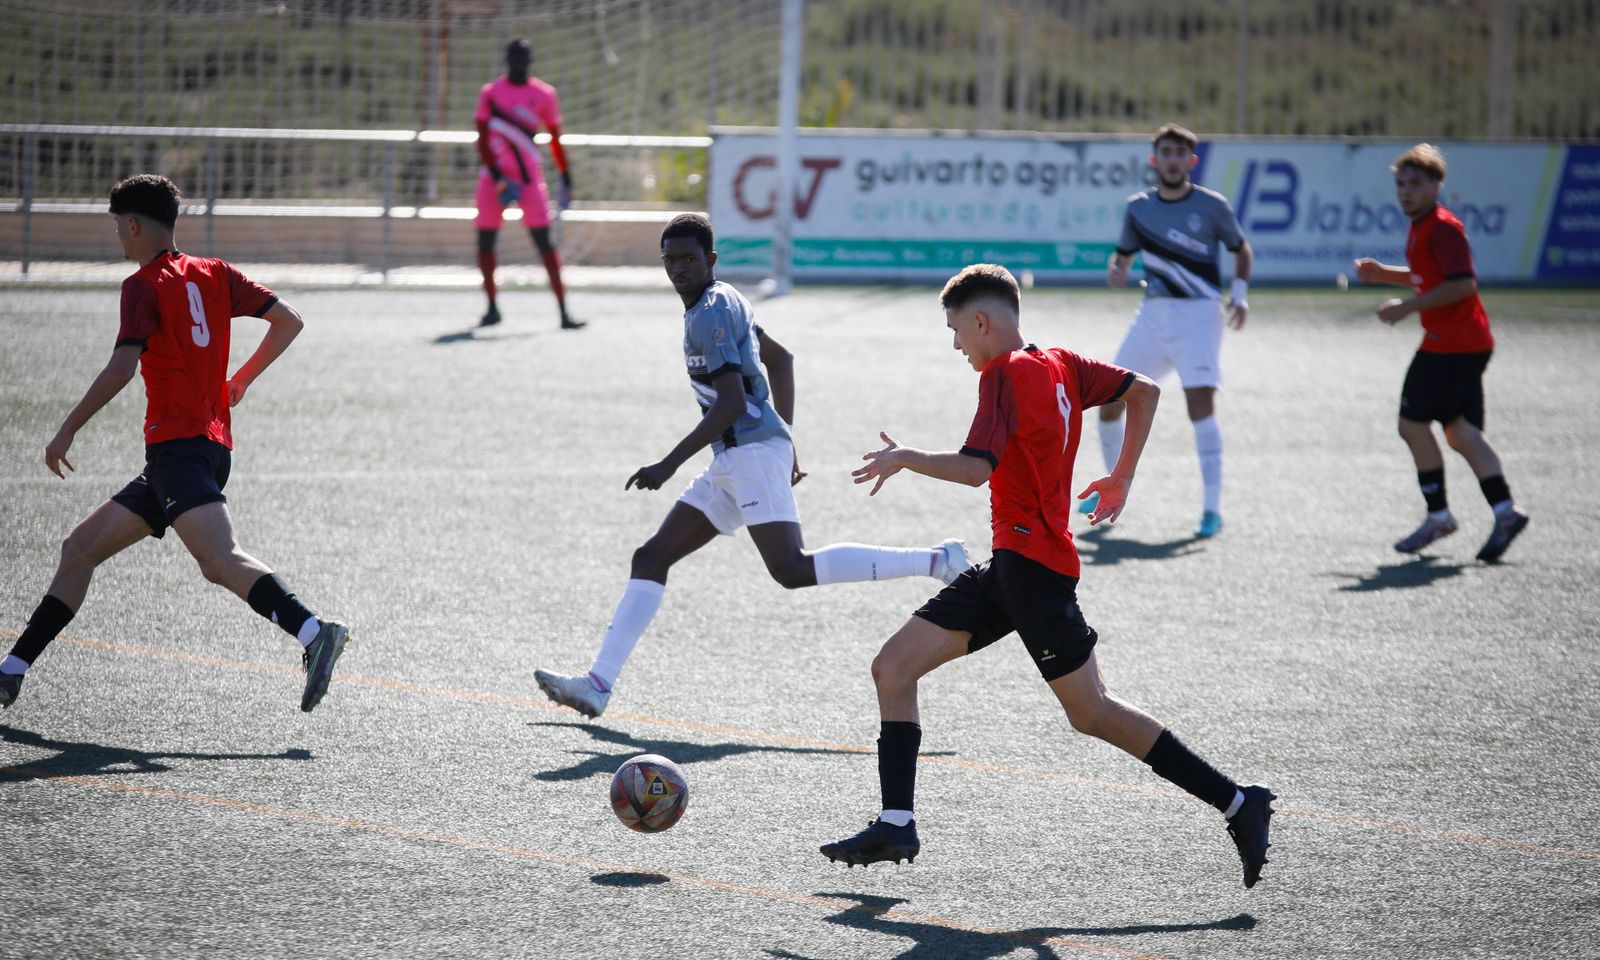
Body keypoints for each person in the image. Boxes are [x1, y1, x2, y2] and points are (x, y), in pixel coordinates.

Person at [818, 264, 1274, 890]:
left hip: (1033, 574)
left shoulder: (1003, 375)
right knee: (893, 668)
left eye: (956, 331)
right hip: (1012, 567)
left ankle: (1239, 803)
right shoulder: (1062, 364)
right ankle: (896, 822)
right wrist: (1122, 477)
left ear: (982, 322)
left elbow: (975, 468)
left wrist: (906, 457)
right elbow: (1144, 391)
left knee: (1092, 711)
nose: (956, 345)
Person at [533, 214, 971, 718]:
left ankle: (938, 561)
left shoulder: (710, 314)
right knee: (651, 557)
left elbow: (732, 403)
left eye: (689, 259)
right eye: (670, 260)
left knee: (791, 569)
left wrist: (668, 464)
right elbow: (781, 360)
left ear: (710, 260)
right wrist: (785, 439)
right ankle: (598, 684)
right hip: (740, 455)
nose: (679, 269)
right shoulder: (726, 299)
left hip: (747, 453)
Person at [0, 175, 349, 714]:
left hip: (178, 450)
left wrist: (67, 428)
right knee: (80, 549)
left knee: (220, 560)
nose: (118, 236)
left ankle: (313, 631)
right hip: (204, 449)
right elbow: (289, 321)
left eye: (118, 226)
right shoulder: (215, 272)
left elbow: (122, 368)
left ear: (133, 225)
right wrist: (241, 379)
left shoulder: (142, 286)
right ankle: (11, 671)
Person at [1354, 143, 1529, 562]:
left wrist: (1407, 308)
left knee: (1411, 426)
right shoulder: (1422, 226)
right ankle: (1505, 512)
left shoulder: (1442, 228)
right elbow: (1429, 276)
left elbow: (1463, 284)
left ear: (1436, 186)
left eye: (1415, 183)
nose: (1406, 191)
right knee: (1460, 432)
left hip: (1449, 346)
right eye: (1400, 184)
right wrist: (1383, 274)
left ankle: (1439, 516)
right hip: (1467, 343)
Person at [1089, 122, 1252, 539]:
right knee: (1109, 400)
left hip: (1199, 314)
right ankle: (1112, 488)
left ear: (1192, 161)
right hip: (1153, 314)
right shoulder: (1138, 208)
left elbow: (1241, 250)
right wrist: (1117, 270)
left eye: (1181, 154)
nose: (1174, 161)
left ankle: (1211, 509)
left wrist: (1239, 294)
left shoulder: (1212, 206)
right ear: (1154, 159)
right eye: (1167, 153)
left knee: (1200, 406)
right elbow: (1122, 257)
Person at [473, 37, 583, 330]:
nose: (518, 63)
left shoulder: (544, 94)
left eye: (523, 58)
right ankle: (492, 308)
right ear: (507, 60)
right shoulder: (490, 93)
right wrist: (498, 178)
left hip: (529, 180)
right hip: (493, 178)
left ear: (530, 61)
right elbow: (482, 140)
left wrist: (566, 175)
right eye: (514, 58)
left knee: (545, 243)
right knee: (485, 242)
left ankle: (564, 312)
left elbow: (556, 139)